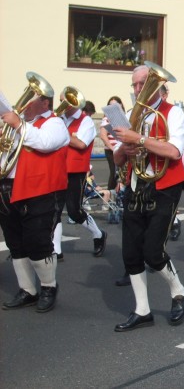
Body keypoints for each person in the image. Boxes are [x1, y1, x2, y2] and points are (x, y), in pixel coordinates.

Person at [112, 64, 184, 331]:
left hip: (165, 186)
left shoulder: (173, 112)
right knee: (131, 253)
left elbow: (174, 151)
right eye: (134, 85)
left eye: (142, 84)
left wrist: (140, 140)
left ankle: (178, 291)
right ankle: (142, 310)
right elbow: (117, 159)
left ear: (156, 85)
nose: (137, 90)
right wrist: (125, 149)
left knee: (153, 252)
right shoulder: (131, 115)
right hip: (136, 185)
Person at [0, 86, 69, 313]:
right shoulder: (19, 124)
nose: (25, 104)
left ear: (45, 103)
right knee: (15, 243)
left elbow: (44, 143)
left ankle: (49, 287)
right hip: (8, 187)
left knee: (37, 243)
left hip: (40, 191)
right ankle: (27, 290)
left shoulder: (55, 123)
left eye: (31, 99)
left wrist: (18, 125)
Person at [56, 90, 107, 259]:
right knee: (55, 209)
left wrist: (60, 130)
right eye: (61, 101)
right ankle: (56, 250)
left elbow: (81, 144)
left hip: (75, 171)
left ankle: (98, 234)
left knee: (74, 211)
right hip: (58, 169)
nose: (62, 105)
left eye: (65, 101)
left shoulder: (86, 121)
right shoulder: (60, 119)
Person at [99, 96, 125, 191]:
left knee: (123, 174)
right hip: (112, 150)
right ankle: (110, 194)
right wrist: (113, 148)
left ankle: (120, 194)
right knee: (114, 173)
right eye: (110, 105)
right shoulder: (107, 118)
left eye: (115, 105)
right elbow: (103, 135)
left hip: (122, 149)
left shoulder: (124, 117)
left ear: (120, 105)